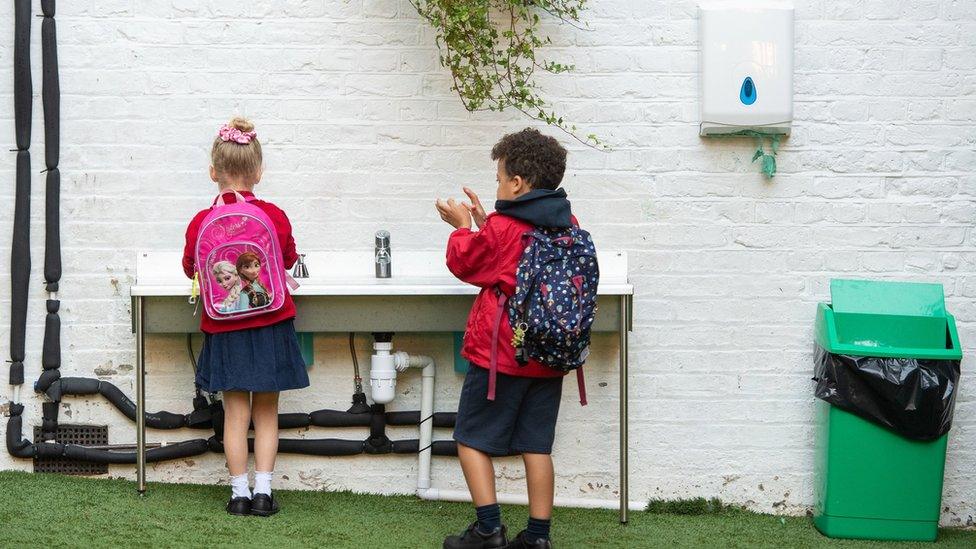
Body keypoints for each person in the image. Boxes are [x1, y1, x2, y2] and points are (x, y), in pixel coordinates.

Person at [436, 128, 577, 548]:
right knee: (537, 446)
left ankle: (488, 530)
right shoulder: (568, 222)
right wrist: (486, 222)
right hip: (550, 358)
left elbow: (467, 263)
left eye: (500, 179)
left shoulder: (503, 228)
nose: (497, 186)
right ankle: (537, 538)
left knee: (470, 438)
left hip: (502, 355)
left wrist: (464, 227)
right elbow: (513, 258)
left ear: (517, 183)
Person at [181, 117, 309, 517]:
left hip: (225, 327)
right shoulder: (275, 216)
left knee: (235, 414)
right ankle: (264, 493)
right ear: (259, 172)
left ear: (212, 171)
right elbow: (288, 259)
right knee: (266, 411)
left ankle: (237, 494)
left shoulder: (201, 222)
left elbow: (191, 268)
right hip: (270, 323)